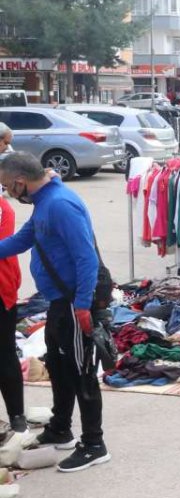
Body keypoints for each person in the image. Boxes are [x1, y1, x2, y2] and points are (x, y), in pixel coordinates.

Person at [0, 152, 108, 472]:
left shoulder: (59, 204)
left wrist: (84, 305)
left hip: (75, 301)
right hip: (59, 302)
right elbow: (23, 239)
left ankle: (94, 443)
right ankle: (60, 429)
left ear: (21, 182)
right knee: (59, 367)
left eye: (7, 186)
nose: (7, 192)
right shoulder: (43, 202)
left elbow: (86, 257)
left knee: (81, 371)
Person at [0, 189, 29, 465]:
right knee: (5, 353)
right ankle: (16, 419)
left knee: (5, 353)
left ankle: (17, 418)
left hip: (2, 288)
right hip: (5, 285)